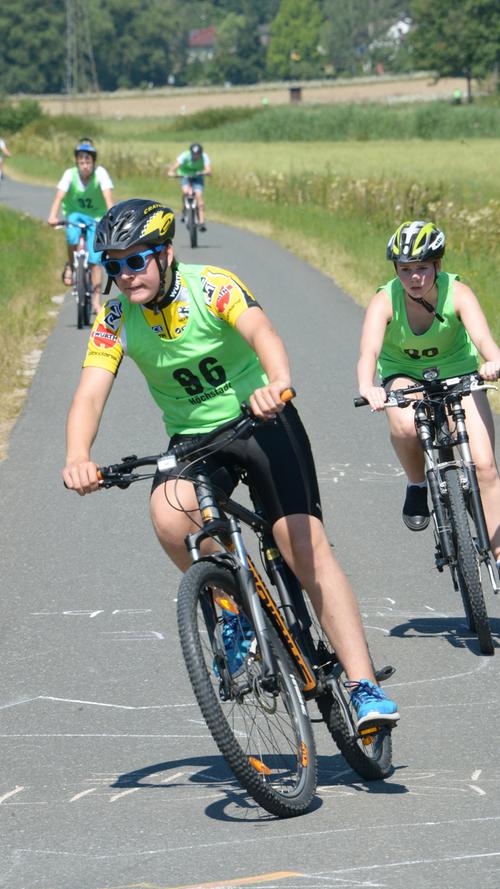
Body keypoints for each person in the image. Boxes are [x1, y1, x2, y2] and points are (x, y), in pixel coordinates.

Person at [62, 198, 399, 730]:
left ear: (165, 254)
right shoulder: (114, 318)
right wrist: (78, 456)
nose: (125, 276)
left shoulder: (213, 286)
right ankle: (233, 606)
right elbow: (89, 395)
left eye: (136, 261)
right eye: (113, 265)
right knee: (169, 515)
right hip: (195, 440)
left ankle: (363, 686)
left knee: (300, 545)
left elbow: (264, 334)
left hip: (259, 420)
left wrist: (276, 384)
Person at [357, 220, 500, 572]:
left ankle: (498, 552)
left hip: (459, 372)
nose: (414, 277)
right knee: (405, 425)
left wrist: (493, 361)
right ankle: (418, 484)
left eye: (422, 267)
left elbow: (482, 338)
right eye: (405, 270)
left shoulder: (459, 292)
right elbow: (369, 351)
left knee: (484, 467)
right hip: (404, 374)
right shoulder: (384, 299)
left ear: (438, 265)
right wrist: (368, 385)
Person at [47, 141, 114, 314]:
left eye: (88, 162)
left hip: (96, 217)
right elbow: (59, 197)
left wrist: (112, 219)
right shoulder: (70, 174)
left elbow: (108, 199)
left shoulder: (101, 174)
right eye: (81, 162)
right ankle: (71, 265)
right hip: (75, 214)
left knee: (95, 258)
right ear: (77, 163)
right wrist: (52, 216)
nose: (85, 166)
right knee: (71, 236)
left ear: (93, 163)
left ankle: (96, 302)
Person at [167, 142, 211, 231]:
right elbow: (173, 168)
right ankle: (185, 210)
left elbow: (208, 170)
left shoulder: (204, 157)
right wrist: (172, 173)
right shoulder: (185, 155)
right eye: (194, 154)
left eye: (198, 154)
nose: (196, 156)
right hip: (185, 175)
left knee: (198, 196)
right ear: (190, 152)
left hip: (198, 176)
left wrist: (205, 172)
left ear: (200, 153)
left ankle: (201, 222)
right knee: (186, 192)